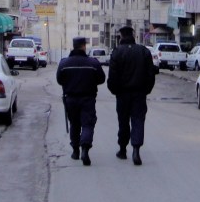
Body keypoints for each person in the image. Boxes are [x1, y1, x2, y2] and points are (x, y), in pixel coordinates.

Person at [107, 25, 156, 166]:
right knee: (138, 120)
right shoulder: (143, 51)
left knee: (123, 122)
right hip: (139, 94)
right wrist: (146, 90)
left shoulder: (117, 52)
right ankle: (136, 150)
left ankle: (122, 149)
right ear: (133, 36)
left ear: (121, 36)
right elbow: (150, 74)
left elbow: (112, 76)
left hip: (122, 94)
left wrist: (115, 91)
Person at [56, 36, 105, 166]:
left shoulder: (64, 63)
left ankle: (75, 151)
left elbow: (59, 80)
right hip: (88, 99)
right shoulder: (93, 63)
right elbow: (101, 79)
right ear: (83, 46)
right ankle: (85, 149)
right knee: (87, 124)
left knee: (74, 124)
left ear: (73, 46)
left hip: (70, 99)